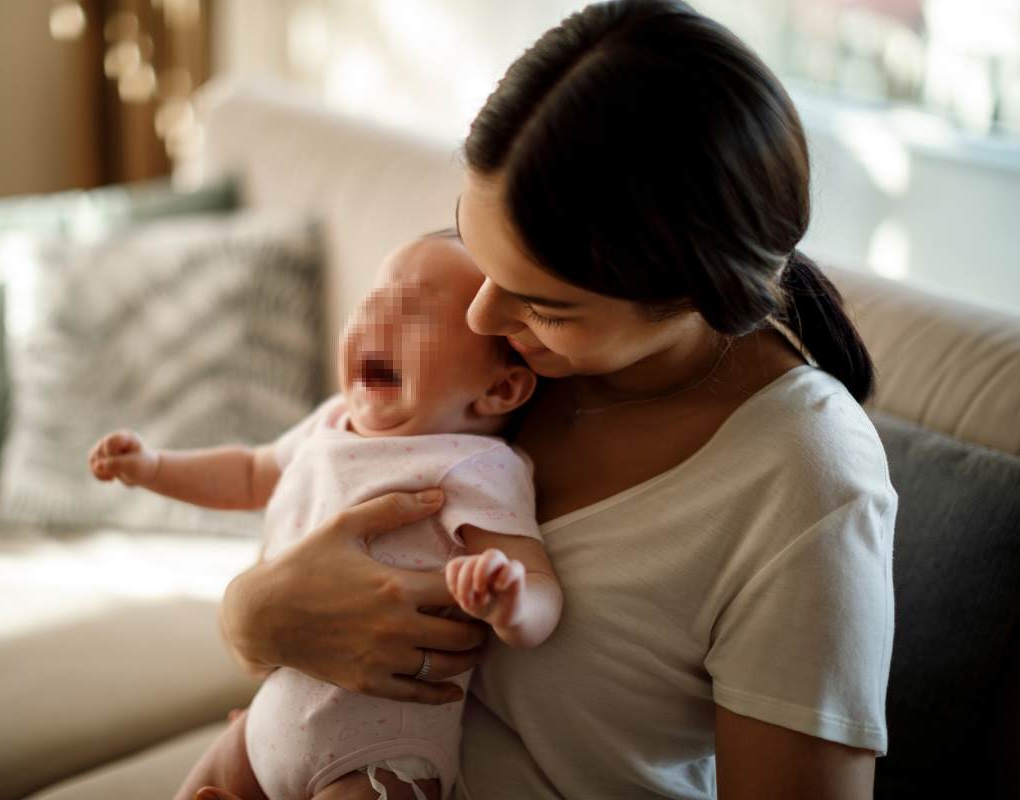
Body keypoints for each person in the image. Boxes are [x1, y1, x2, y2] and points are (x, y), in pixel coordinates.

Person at [202, 1, 897, 798]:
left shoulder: (805, 484)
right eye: (475, 246)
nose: (479, 317)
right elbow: (315, 526)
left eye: (545, 304)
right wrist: (251, 617)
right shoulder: (503, 364)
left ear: (695, 294)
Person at [88, 233, 564, 800]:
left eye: (413, 312)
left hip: (377, 758)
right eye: (371, 303)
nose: (376, 321)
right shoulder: (331, 422)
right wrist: (154, 466)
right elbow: (247, 472)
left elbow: (539, 584)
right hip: (264, 728)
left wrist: (509, 601)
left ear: (500, 388)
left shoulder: (474, 464)